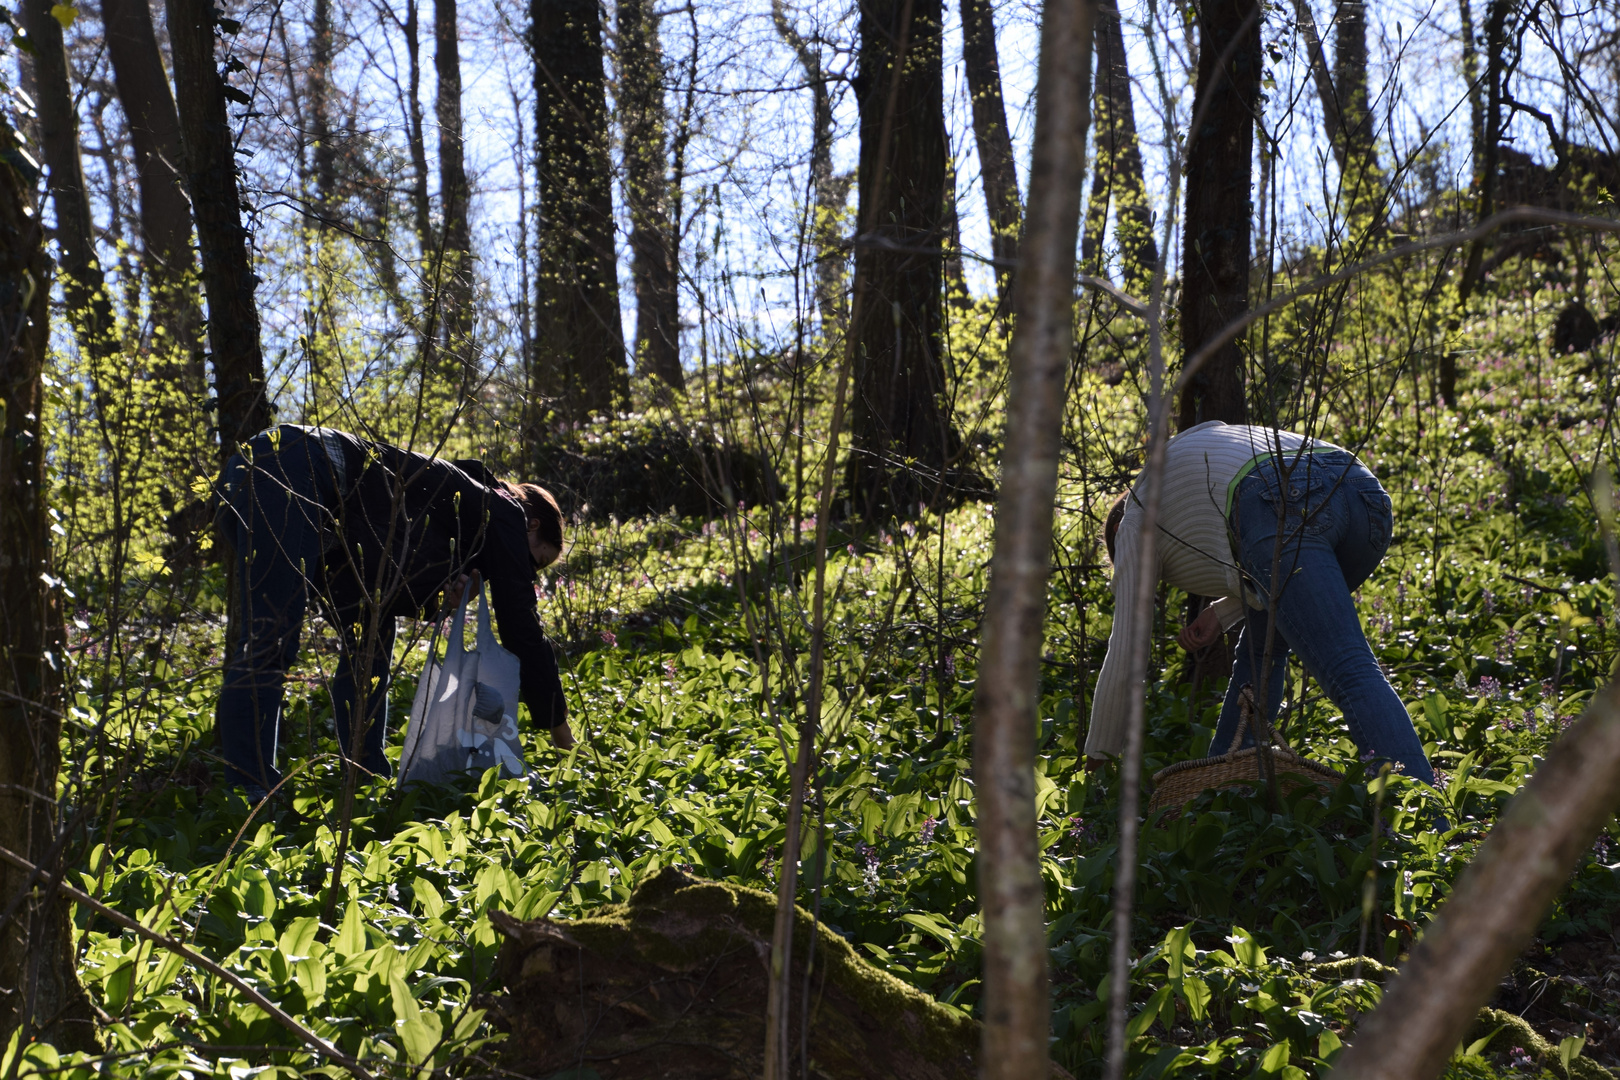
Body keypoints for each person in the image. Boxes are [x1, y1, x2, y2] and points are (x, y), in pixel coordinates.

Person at [214, 425, 575, 798]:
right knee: (271, 636)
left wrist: (438, 595)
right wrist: (559, 729)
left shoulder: (461, 506)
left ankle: (364, 775)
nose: (526, 570)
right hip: (294, 468)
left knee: (370, 637)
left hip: (281, 482)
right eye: (536, 561)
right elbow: (522, 629)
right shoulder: (505, 512)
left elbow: (390, 566)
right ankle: (251, 791)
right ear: (531, 525)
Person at [1086, 421, 1434, 785]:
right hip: (1361, 489)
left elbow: (1127, 653)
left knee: (1350, 670)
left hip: (1275, 498)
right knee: (1260, 653)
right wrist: (1222, 613)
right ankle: (1224, 787)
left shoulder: (1135, 519)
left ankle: (1427, 815)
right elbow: (1273, 580)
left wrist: (1096, 763)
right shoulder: (1180, 456)